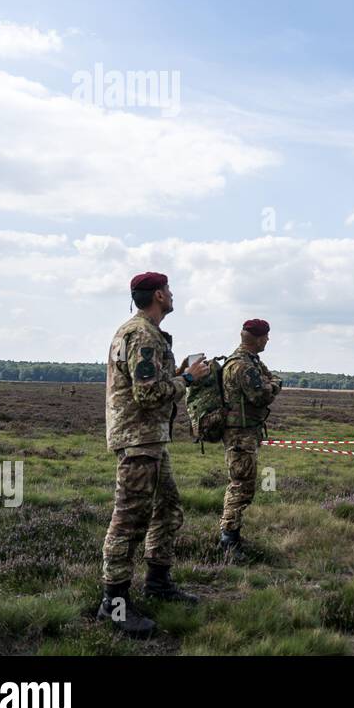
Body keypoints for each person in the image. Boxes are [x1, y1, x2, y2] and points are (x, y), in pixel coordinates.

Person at [97, 272, 209, 638]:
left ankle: (157, 582)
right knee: (129, 520)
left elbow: (146, 383)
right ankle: (113, 605)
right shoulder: (143, 334)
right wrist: (188, 380)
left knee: (168, 509)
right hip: (139, 440)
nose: (174, 295)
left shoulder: (139, 332)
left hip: (150, 440)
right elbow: (146, 395)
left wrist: (175, 374)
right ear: (159, 295)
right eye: (170, 291)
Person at [219, 319, 283, 554]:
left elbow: (269, 379)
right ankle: (229, 539)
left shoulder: (250, 361)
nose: (267, 340)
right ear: (257, 338)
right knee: (240, 485)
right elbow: (261, 395)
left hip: (246, 432)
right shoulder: (243, 366)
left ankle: (231, 535)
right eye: (266, 336)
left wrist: (271, 382)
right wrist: (274, 386)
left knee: (243, 484)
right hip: (240, 434)